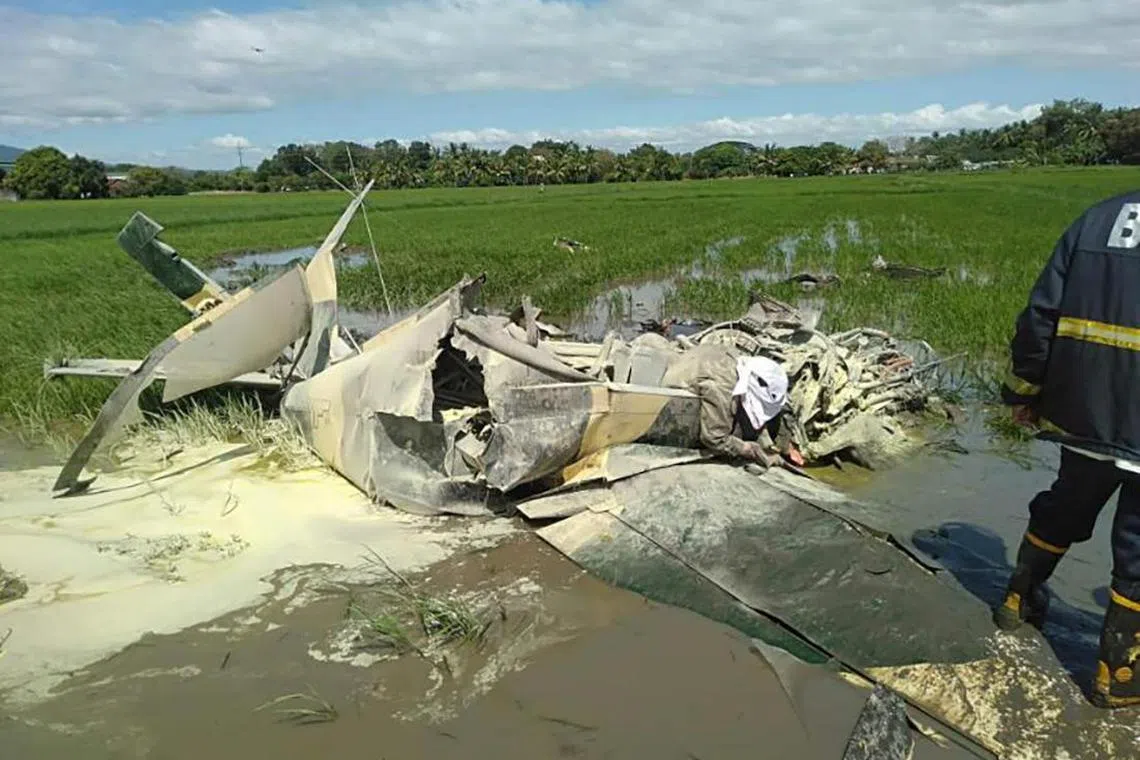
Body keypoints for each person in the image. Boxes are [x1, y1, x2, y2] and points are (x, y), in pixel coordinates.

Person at [998, 190, 1140, 709]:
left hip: (1086, 410)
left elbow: (1041, 314)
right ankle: (1119, 678)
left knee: (1066, 504)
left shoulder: (1099, 217)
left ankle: (1017, 598)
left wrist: (1026, 390)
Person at [661, 343, 791, 467]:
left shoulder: (740, 364)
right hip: (673, 398)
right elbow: (714, 438)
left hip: (695, 364)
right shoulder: (723, 388)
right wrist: (747, 449)